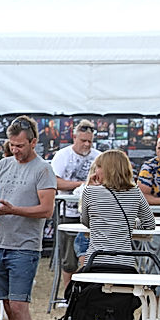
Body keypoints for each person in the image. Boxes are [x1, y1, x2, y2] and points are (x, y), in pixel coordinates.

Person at [0, 116, 55, 320]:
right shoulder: (3, 165)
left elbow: (46, 210)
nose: (15, 150)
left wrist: (13, 210)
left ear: (33, 142)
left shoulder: (43, 170)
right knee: (8, 307)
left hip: (25, 246)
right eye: (12, 145)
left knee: (19, 305)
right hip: (1, 243)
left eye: (20, 146)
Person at [80, 150, 155, 272]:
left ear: (109, 170)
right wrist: (129, 224)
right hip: (126, 263)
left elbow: (86, 222)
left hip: (96, 261)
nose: (96, 171)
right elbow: (149, 224)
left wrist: (89, 186)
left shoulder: (90, 191)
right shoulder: (135, 192)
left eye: (99, 167)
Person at [51, 120, 100, 289]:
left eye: (89, 141)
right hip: (68, 213)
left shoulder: (99, 157)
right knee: (68, 258)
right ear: (74, 137)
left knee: (92, 256)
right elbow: (55, 182)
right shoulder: (62, 156)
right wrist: (82, 185)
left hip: (93, 214)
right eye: (83, 140)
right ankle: (68, 294)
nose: (86, 144)